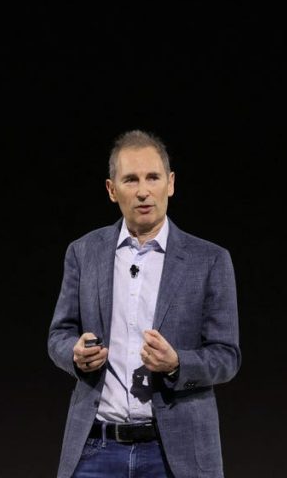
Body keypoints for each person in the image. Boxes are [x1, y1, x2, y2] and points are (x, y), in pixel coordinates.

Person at [47, 130, 242, 478]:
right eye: (131, 179)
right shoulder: (84, 252)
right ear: (112, 190)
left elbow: (227, 357)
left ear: (170, 183)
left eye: (153, 177)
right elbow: (58, 335)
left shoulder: (209, 260)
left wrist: (177, 363)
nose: (142, 191)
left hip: (175, 453)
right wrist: (75, 355)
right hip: (96, 448)